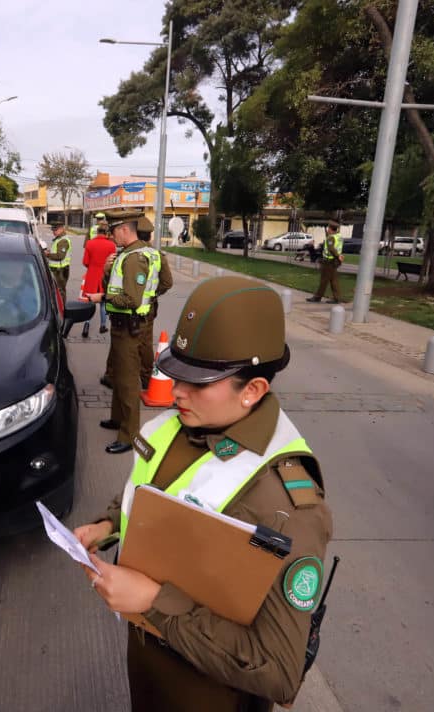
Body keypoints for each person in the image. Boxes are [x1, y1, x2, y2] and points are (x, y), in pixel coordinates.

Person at [74, 275, 333, 712]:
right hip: (148, 671)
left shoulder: (285, 502)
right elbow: (151, 491)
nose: (176, 392)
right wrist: (108, 524)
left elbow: (278, 669)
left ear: (252, 390)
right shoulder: (179, 426)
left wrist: (155, 603)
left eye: (198, 383)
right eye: (177, 375)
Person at [84, 210, 159, 454]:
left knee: (127, 383)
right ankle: (117, 419)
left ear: (125, 229)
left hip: (130, 327)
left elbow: (132, 299)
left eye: (114, 230)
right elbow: (164, 283)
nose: (111, 235)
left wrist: (102, 297)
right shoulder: (127, 254)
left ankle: (128, 435)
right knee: (117, 377)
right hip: (122, 325)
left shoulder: (135, 258)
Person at [136, 227, 173, 389]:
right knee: (145, 342)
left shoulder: (129, 254)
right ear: (150, 236)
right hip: (149, 307)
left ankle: (113, 374)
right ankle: (145, 376)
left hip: (125, 306)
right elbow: (167, 283)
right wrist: (153, 293)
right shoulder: (158, 255)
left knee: (122, 342)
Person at [79, 222, 116, 338]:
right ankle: (103, 325)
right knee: (103, 301)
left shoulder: (90, 243)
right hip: (104, 275)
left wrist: (92, 267)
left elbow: (85, 262)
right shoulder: (111, 245)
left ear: (97, 232)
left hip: (92, 275)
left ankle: (86, 325)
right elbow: (113, 263)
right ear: (107, 233)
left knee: (90, 302)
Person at [307, 221, 343, 303]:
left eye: (328, 228)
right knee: (334, 280)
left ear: (330, 229)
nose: (327, 229)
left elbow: (331, 248)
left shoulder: (331, 238)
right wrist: (338, 256)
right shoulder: (339, 237)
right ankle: (337, 298)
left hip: (329, 261)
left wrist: (337, 255)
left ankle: (317, 297)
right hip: (335, 262)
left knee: (324, 280)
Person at [45, 221, 72, 301]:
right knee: (57, 290)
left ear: (62, 229)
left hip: (60, 270)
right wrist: (50, 252)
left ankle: (62, 308)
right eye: (53, 230)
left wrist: (47, 254)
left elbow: (60, 256)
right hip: (57, 268)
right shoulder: (58, 239)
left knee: (60, 291)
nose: (54, 232)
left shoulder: (63, 241)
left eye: (55, 230)